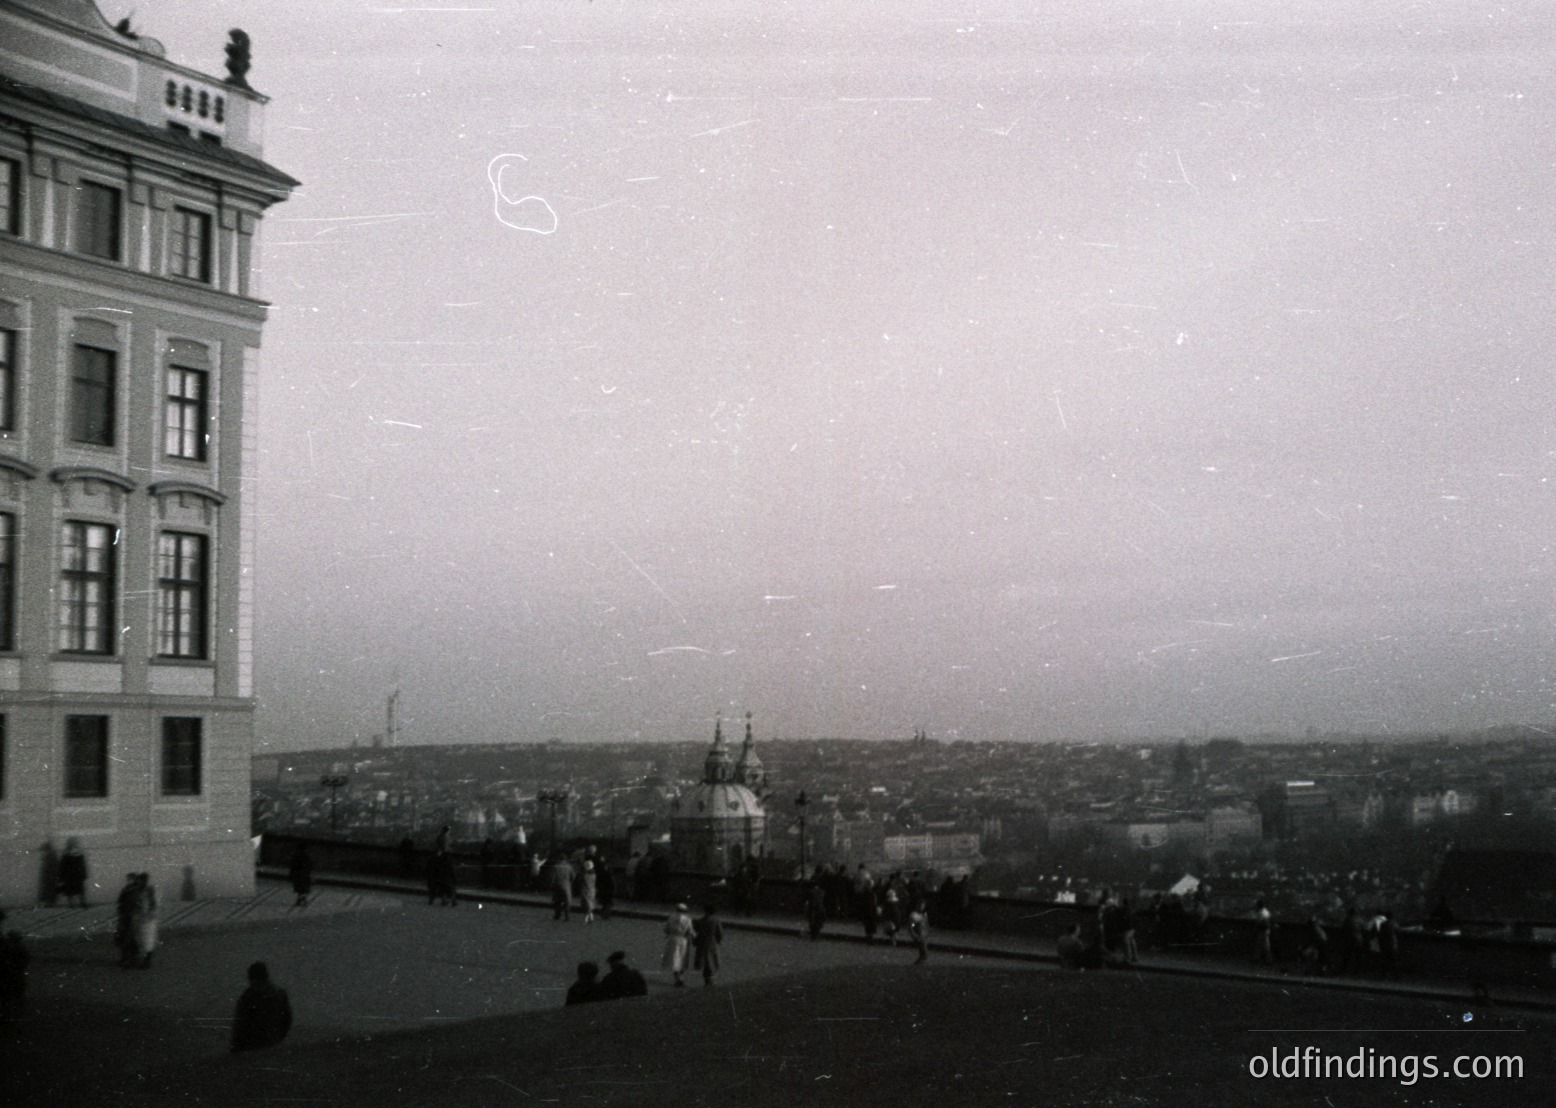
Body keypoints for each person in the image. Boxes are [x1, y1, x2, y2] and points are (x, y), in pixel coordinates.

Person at [231, 962, 293, 1051]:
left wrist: (235, 1048)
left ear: (251, 977)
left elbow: (240, 1026)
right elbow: (287, 1020)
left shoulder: (248, 996)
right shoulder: (279, 994)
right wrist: (278, 1037)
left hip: (252, 1047)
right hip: (273, 1043)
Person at [0, 911, 29, 1023]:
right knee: (14, 993)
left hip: (9, 972)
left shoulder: (6, 944)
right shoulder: (16, 947)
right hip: (13, 973)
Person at [662, 902, 694, 986]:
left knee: (675, 959)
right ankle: (681, 977)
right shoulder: (687, 919)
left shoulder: (671, 918)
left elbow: (666, 930)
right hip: (683, 940)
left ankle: (676, 978)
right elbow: (690, 931)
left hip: (673, 939)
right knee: (683, 959)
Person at [133, 872, 159, 968]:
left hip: (146, 919)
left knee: (146, 940)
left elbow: (152, 904)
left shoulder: (147, 890)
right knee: (145, 940)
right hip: (144, 918)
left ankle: (146, 961)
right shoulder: (144, 890)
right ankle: (145, 960)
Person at [693, 904, 723, 987]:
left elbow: (694, 932)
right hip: (712, 943)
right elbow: (720, 933)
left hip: (702, 943)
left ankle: (707, 980)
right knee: (711, 961)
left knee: (705, 962)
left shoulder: (700, 921)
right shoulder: (716, 921)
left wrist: (695, 941)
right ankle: (710, 980)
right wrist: (719, 941)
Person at [115, 872, 141, 967]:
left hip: (131, 916)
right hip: (126, 915)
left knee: (128, 938)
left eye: (130, 879)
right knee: (126, 937)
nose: (128, 881)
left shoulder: (134, 890)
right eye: (128, 879)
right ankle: (129, 958)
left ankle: (128, 958)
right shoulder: (128, 889)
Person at [58, 838, 90, 908]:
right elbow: (63, 866)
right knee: (73, 890)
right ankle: (76, 903)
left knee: (77, 890)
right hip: (73, 874)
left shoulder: (66, 853)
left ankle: (80, 903)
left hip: (74, 874)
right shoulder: (78, 852)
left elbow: (82, 865)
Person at [549, 853, 575, 921]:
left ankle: (557, 915)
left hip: (557, 884)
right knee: (567, 901)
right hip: (567, 885)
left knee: (558, 901)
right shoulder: (569, 867)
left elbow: (552, 877)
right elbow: (573, 877)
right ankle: (567, 916)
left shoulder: (556, 866)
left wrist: (551, 884)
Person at [1252, 899, 1274, 966]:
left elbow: (1258, 922)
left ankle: (1267, 960)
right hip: (1265, 930)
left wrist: (1255, 928)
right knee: (1263, 945)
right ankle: (1264, 959)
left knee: (1263, 945)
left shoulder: (1261, 912)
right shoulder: (1265, 911)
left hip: (1262, 930)